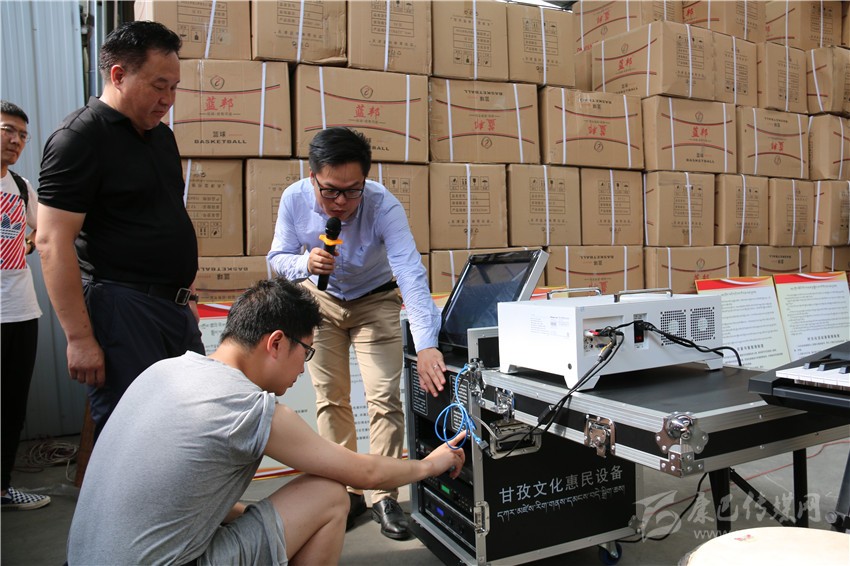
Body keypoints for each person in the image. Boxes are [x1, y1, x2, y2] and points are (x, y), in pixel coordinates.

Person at [66, 277, 465, 565]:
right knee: (330, 495)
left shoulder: (165, 371)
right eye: (306, 352)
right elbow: (365, 474)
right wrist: (432, 464)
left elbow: (184, 497)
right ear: (275, 342)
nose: (303, 369)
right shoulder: (245, 406)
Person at [267, 127, 448, 540]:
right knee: (330, 398)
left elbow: (410, 273)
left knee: (384, 397)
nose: (342, 202)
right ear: (313, 177)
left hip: (375, 301)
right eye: (330, 191)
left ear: (366, 179)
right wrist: (305, 264)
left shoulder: (384, 206)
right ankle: (345, 491)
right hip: (319, 301)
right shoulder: (294, 199)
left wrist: (427, 345)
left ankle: (382, 494)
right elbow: (277, 258)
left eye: (353, 191)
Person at [36, 21, 204, 441]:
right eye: (159, 86)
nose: (168, 99)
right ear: (118, 75)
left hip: (173, 309)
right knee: (135, 436)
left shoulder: (161, 138)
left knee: (190, 426)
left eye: (174, 88)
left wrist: (186, 295)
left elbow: (167, 217)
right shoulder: (79, 138)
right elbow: (51, 242)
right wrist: (79, 338)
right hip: (122, 307)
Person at [0, 101, 50, 511]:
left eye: (22, 135)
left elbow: (44, 230)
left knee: (13, 405)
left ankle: (2, 488)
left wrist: (28, 245)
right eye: (7, 130)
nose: (15, 140)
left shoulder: (20, 187)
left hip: (21, 311)